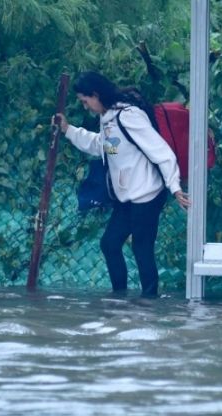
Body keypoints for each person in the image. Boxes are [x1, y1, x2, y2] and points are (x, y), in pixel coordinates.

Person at [55, 71, 190, 298]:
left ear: (96, 94)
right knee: (110, 244)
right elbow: (103, 146)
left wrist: (174, 187)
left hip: (147, 194)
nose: (85, 106)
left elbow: (161, 152)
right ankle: (119, 299)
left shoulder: (128, 116)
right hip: (126, 197)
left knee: (141, 248)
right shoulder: (107, 118)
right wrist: (68, 130)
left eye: (85, 101)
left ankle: (149, 303)